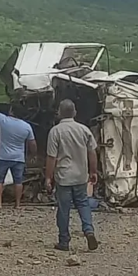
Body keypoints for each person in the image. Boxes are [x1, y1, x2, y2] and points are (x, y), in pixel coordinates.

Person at [45, 99, 99, 252]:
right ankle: (89, 230)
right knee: (83, 204)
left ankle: (64, 241)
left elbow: (51, 157)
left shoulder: (55, 131)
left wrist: (48, 177)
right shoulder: (84, 130)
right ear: (75, 112)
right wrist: (93, 171)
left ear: (59, 113)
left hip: (64, 176)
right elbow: (92, 152)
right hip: (81, 175)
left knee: (64, 209)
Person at [0, 91, 36, 209]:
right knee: (18, 181)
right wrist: (32, 155)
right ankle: (17, 204)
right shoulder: (27, 126)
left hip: (3, 156)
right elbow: (32, 143)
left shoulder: (4, 121)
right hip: (18, 158)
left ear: (12, 111)